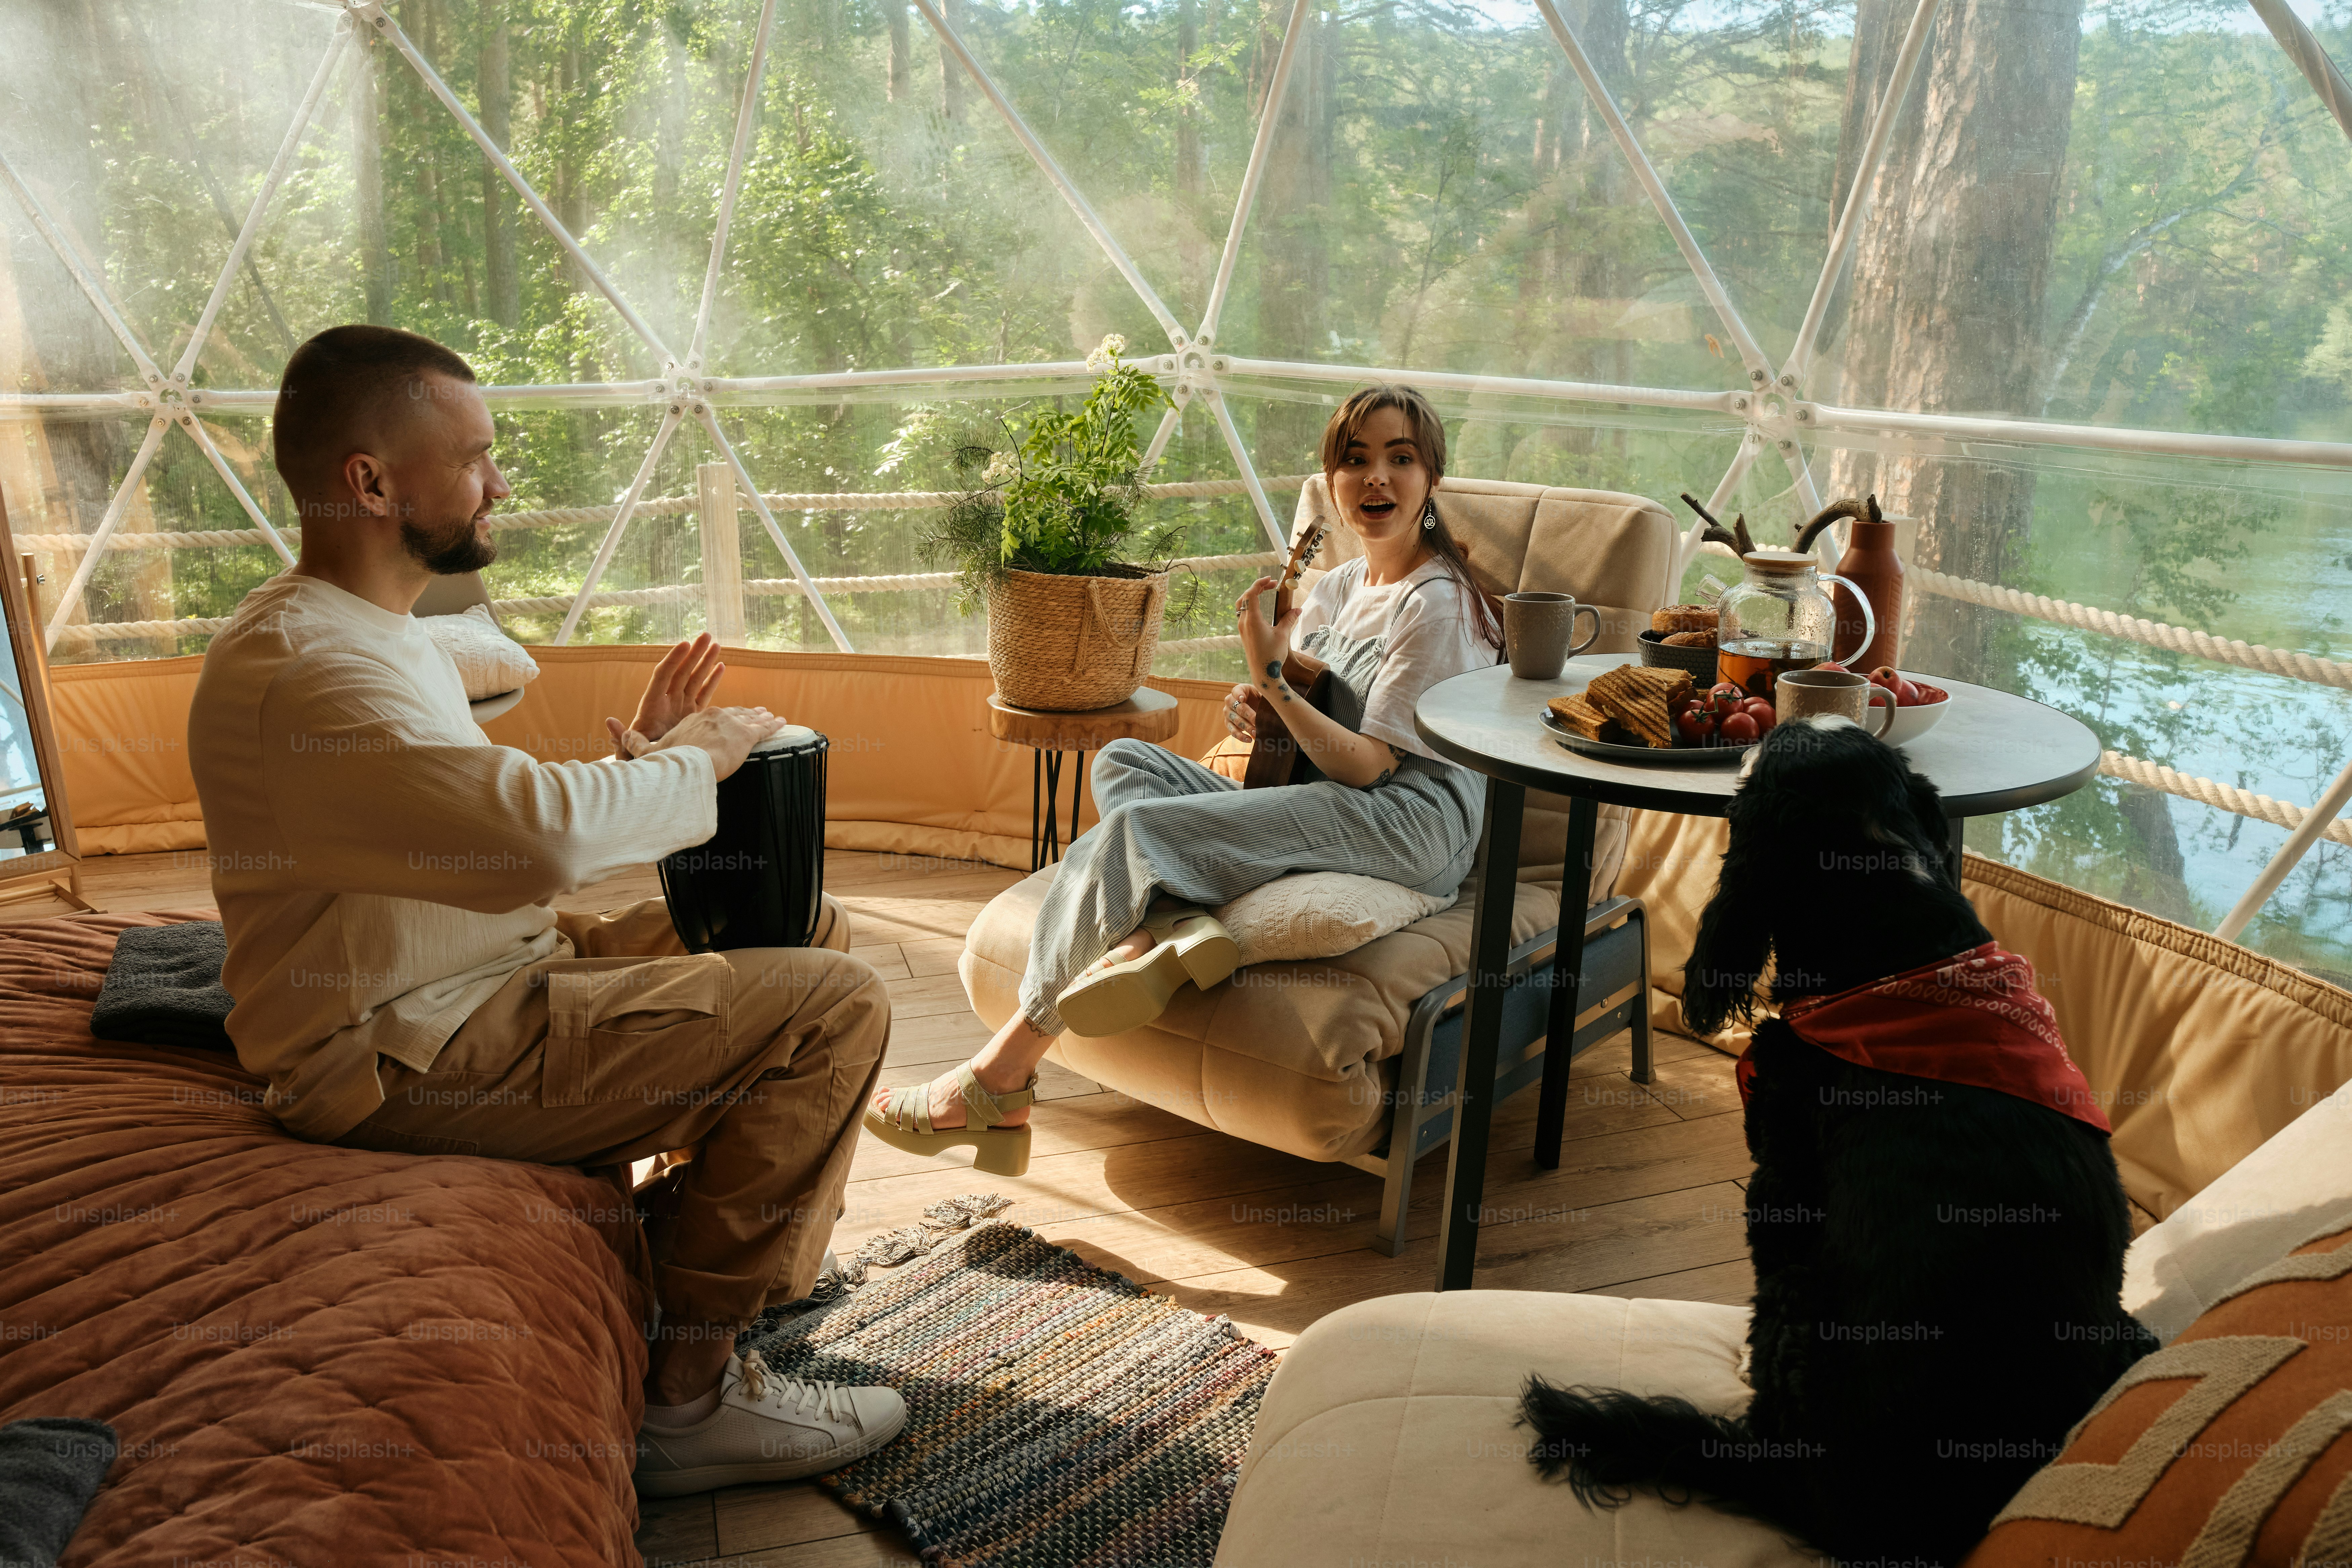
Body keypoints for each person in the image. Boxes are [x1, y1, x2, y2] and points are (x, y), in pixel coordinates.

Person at [187, 324, 905, 1497]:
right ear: (371, 481)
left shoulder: (366, 631)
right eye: (473, 458)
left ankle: (692, 1261)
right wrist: (701, 754)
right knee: (832, 1007)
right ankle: (689, 1401)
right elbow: (536, 838)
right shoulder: (311, 673)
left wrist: (646, 759)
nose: (501, 482)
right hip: (401, 1049)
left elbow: (474, 810)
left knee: (795, 929)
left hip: (484, 973)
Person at [866, 384, 1502, 1173]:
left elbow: (1368, 764)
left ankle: (999, 1078)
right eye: (1355, 459)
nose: (1376, 477)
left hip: (1411, 822)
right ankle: (1173, 926)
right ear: (1332, 481)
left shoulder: (1436, 604)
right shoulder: (1340, 587)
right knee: (1124, 760)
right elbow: (1312, 718)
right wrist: (1261, 707)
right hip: (1334, 794)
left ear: (1431, 479)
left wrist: (1270, 681)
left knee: (1139, 830)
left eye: (1399, 459)